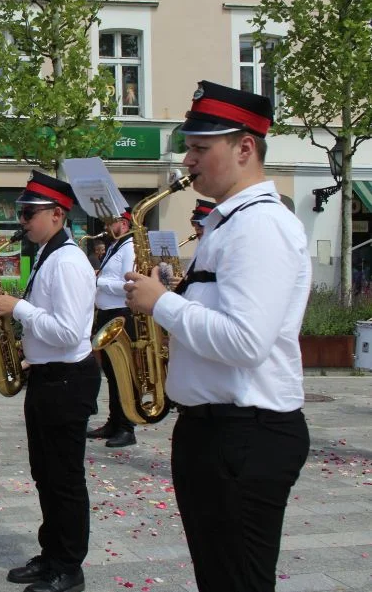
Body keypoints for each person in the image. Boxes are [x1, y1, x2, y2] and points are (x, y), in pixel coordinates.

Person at [124, 81, 310, 592]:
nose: (189, 160)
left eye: (201, 148)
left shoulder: (259, 227)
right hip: (221, 433)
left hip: (244, 435)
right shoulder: (231, 225)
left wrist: (162, 303)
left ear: (245, 147)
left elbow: (245, 342)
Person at [0, 171, 101, 592]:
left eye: (29, 213)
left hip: (67, 382)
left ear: (57, 214)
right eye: (22, 212)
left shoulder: (69, 262)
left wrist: (19, 310)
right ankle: (51, 553)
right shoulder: (47, 255)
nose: (23, 220)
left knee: (65, 478)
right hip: (48, 378)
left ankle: (69, 567)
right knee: (45, 473)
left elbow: (71, 333)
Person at [87, 209, 137, 448]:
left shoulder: (129, 247)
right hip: (107, 313)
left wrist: (100, 280)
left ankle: (127, 427)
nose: (108, 226)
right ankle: (114, 421)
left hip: (120, 315)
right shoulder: (115, 246)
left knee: (122, 373)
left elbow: (129, 284)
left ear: (124, 224)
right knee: (110, 370)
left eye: (112, 222)